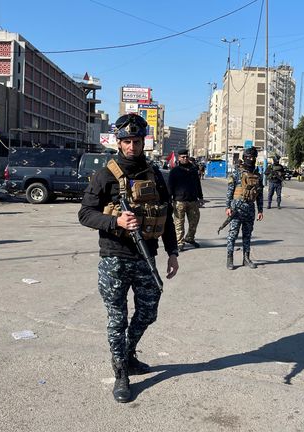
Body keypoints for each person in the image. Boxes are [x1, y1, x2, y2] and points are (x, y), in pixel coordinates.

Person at [78, 113, 179, 403]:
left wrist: (172, 252)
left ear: (143, 142)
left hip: (147, 256)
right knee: (117, 318)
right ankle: (121, 372)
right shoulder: (104, 174)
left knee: (148, 312)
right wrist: (116, 223)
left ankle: (129, 352)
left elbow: (166, 216)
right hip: (115, 258)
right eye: (126, 141)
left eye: (136, 141)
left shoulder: (153, 172)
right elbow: (85, 213)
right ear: (118, 142)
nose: (132, 146)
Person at [225, 146, 264, 270]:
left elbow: (259, 195)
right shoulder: (237, 172)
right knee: (233, 234)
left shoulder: (258, 175)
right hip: (236, 209)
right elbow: (230, 191)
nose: (250, 159)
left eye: (253, 157)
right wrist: (227, 206)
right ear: (244, 157)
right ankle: (230, 259)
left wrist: (260, 210)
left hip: (250, 209)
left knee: (247, 235)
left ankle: (246, 258)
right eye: (248, 157)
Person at [167, 148, 204, 251]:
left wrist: (200, 197)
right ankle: (179, 242)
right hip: (179, 201)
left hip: (193, 201)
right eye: (183, 157)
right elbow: (170, 186)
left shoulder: (193, 170)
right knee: (179, 223)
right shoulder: (175, 171)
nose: (185, 158)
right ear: (179, 158)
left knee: (194, 221)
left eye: (186, 156)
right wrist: (169, 199)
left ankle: (190, 238)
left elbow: (198, 184)